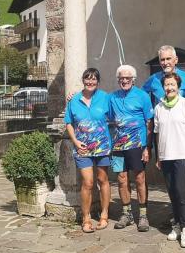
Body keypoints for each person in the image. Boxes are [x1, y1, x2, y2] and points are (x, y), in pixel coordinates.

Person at [154, 72, 185, 248]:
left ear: (178, 86)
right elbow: (158, 134)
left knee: (182, 193)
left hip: (182, 155)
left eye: (172, 84)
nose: (170, 87)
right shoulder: (159, 107)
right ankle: (177, 226)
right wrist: (158, 156)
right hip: (166, 156)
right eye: (167, 85)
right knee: (172, 193)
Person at [65, 68, 111, 233]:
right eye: (87, 79)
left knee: (103, 179)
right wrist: (75, 141)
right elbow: (68, 122)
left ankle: (104, 214)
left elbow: (115, 114)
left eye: (93, 79)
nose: (90, 82)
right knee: (88, 182)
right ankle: (86, 218)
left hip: (102, 146)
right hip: (82, 148)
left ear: (98, 81)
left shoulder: (105, 98)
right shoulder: (74, 100)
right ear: (83, 80)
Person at [109, 64, 154, 232]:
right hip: (119, 146)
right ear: (118, 80)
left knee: (140, 178)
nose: (124, 80)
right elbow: (97, 103)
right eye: (121, 78)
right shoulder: (112, 97)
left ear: (133, 80)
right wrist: (74, 97)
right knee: (121, 178)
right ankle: (126, 213)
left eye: (128, 78)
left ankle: (143, 215)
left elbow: (150, 123)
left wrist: (147, 147)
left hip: (137, 145)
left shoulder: (142, 96)